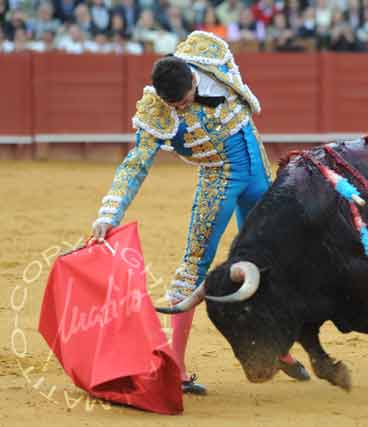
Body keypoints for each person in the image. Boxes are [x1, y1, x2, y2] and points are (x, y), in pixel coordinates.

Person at [91, 30, 310, 395]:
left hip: (258, 169)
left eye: (185, 100)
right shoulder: (156, 109)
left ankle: (277, 347)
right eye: (175, 105)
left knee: (273, 260)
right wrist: (108, 213)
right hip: (219, 180)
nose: (181, 108)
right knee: (194, 266)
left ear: (194, 78)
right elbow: (135, 164)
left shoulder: (209, 53)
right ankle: (174, 367)